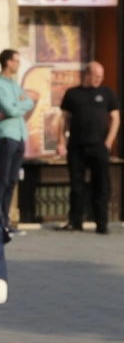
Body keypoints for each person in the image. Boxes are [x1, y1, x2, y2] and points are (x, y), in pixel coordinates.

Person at [56, 61, 119, 234]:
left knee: (101, 185)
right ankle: (75, 221)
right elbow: (64, 119)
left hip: (99, 146)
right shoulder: (72, 93)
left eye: (101, 77)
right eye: (96, 76)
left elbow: (115, 118)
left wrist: (108, 142)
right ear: (87, 74)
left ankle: (101, 223)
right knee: (76, 186)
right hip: (76, 147)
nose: (99, 79)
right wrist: (61, 141)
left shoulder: (107, 93)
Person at [0, 49, 36, 232]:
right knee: (2, 180)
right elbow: (10, 110)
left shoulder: (14, 85)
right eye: (16, 61)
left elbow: (29, 102)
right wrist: (15, 107)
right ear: (8, 62)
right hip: (5, 136)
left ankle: (5, 221)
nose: (18, 64)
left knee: (12, 181)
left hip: (19, 135)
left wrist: (15, 106)